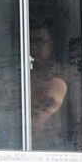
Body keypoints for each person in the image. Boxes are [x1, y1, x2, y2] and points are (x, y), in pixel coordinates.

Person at [29, 18, 72, 151]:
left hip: (57, 148)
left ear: (51, 44)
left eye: (40, 42)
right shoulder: (24, 76)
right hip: (27, 147)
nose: (35, 47)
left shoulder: (67, 75)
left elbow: (80, 116)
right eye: (31, 42)